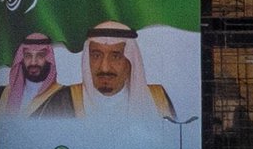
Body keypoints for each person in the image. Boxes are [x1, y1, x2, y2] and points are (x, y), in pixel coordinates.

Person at [35, 20, 176, 121]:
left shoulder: (158, 100)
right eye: (96, 56)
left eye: (116, 56)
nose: (104, 68)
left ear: (131, 62)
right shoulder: (63, 101)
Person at [0, 32, 70, 117]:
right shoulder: (1, 94)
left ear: (49, 59)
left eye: (40, 55)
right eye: (28, 56)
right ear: (21, 59)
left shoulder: (62, 95)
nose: (33, 62)